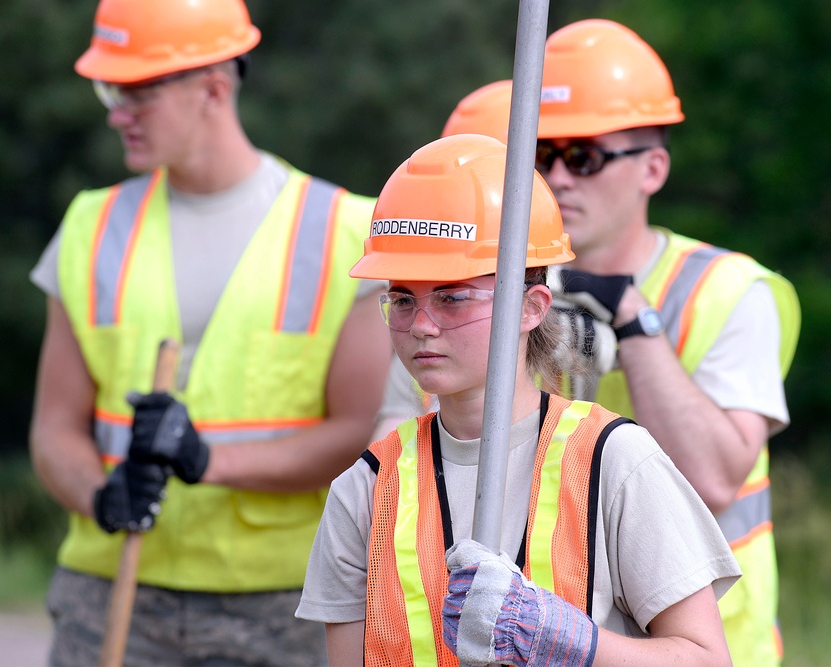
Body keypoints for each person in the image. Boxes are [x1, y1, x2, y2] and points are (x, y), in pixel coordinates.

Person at [376, 19, 801, 667]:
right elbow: (403, 476)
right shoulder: (465, 296)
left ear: (653, 167)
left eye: (584, 157)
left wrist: (633, 319)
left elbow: (714, 478)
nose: (558, 178)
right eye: (540, 156)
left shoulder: (727, 289)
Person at [27, 0, 390, 664]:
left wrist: (207, 461)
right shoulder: (90, 227)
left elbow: (358, 435)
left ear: (214, 88)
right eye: (110, 89)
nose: (115, 112)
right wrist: (102, 495)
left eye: (135, 91)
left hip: (280, 605)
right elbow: (54, 429)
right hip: (107, 596)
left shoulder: (342, 232)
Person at [296, 133, 741, 666]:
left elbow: (706, 659)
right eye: (402, 299)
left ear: (531, 307)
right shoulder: (367, 489)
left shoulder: (614, 460)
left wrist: (573, 643)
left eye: (452, 297)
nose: (422, 326)